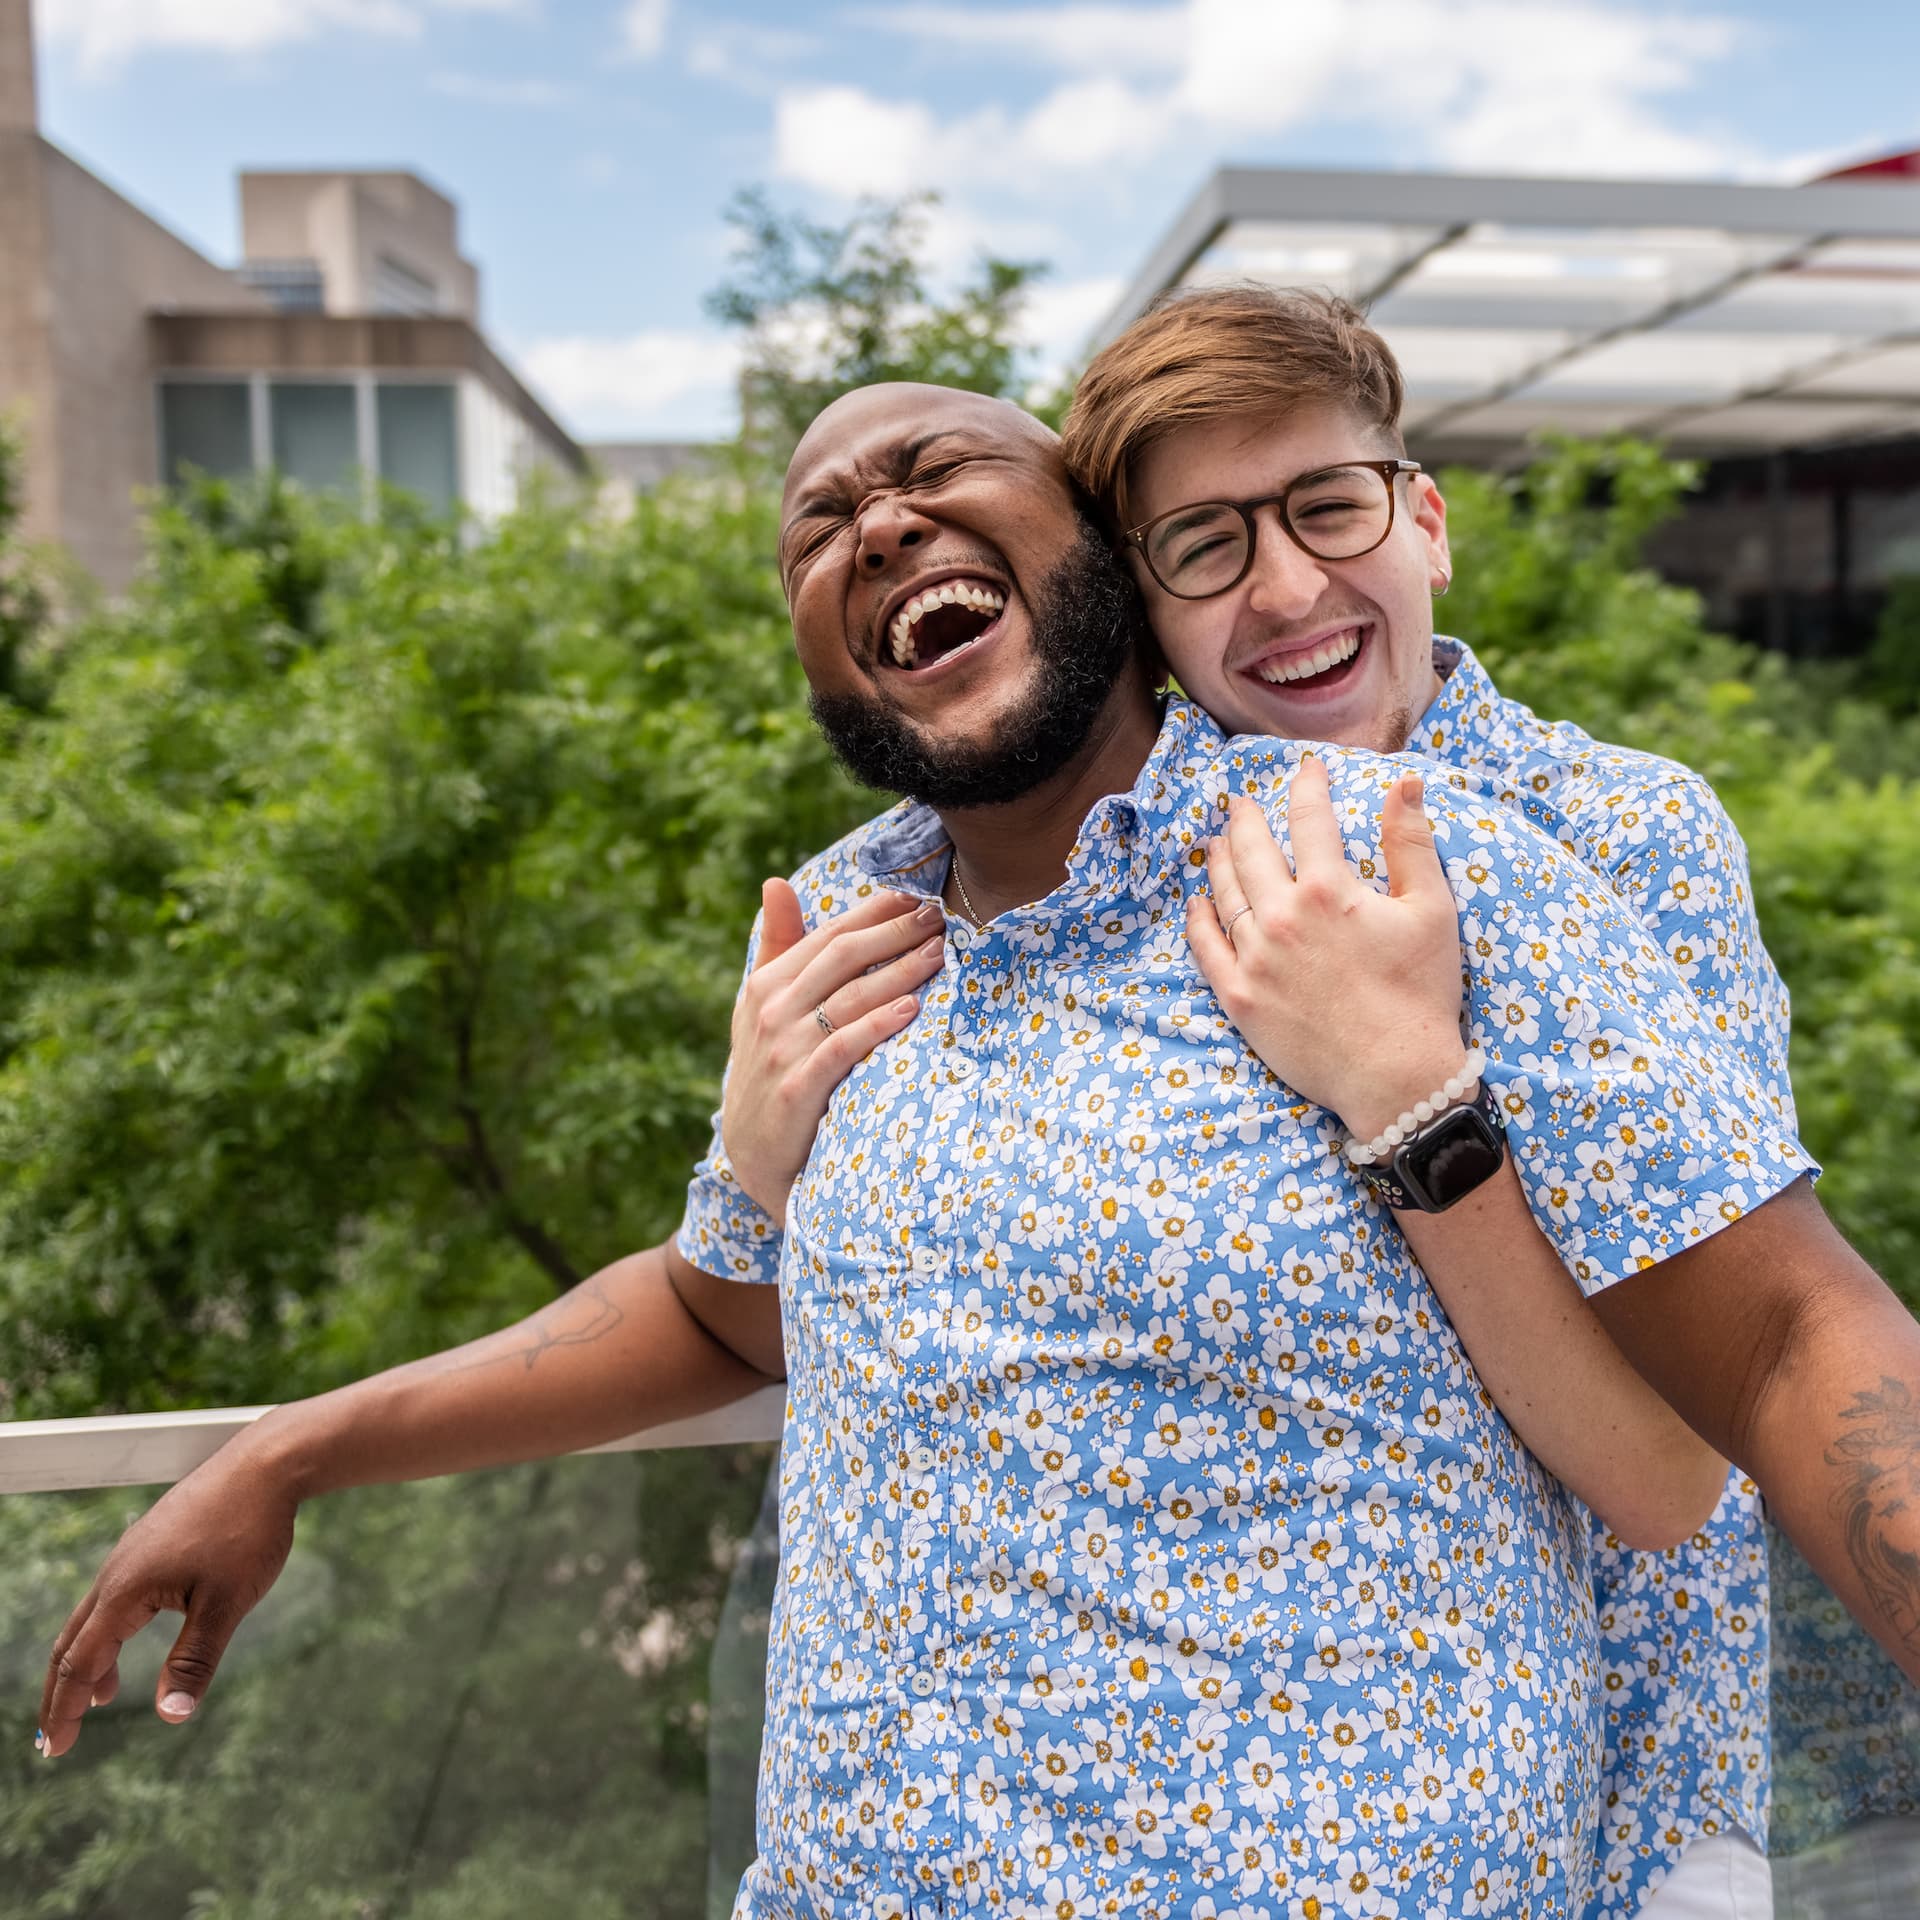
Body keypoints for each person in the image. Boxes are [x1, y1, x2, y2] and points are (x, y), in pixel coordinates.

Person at [32, 382, 1916, 1920]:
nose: (874, 522)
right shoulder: (832, 943)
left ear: (1096, 552)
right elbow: (719, 1316)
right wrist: (292, 1447)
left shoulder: (1389, 855)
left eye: (939, 469)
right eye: (817, 525)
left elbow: (1767, 1349)